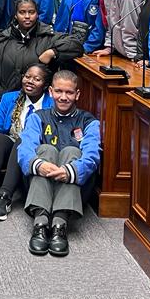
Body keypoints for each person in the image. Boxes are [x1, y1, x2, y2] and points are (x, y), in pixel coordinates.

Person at [19, 70, 100, 257]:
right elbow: (24, 150)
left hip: (75, 186)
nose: (63, 97)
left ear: (77, 94)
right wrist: (39, 165)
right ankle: (40, 223)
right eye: (59, 91)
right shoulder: (37, 117)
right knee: (46, 150)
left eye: (69, 92)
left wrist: (70, 170)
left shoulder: (88, 121)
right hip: (40, 182)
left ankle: (59, 224)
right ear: (50, 92)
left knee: (72, 151)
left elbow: (92, 155)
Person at [0, 64, 54, 221]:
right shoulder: (9, 98)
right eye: (27, 77)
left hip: (35, 148)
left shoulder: (51, 104)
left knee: (22, 141)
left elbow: (50, 137)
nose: (30, 81)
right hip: (9, 143)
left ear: (45, 85)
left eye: (37, 79)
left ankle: (4, 196)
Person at [0, 0, 84, 103]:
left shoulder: (48, 37)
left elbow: (76, 45)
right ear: (15, 15)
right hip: (6, 103)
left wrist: (53, 52)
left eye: (31, 12)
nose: (27, 16)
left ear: (37, 14)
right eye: (22, 12)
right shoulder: (0, 41)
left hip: (41, 105)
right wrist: (7, 100)